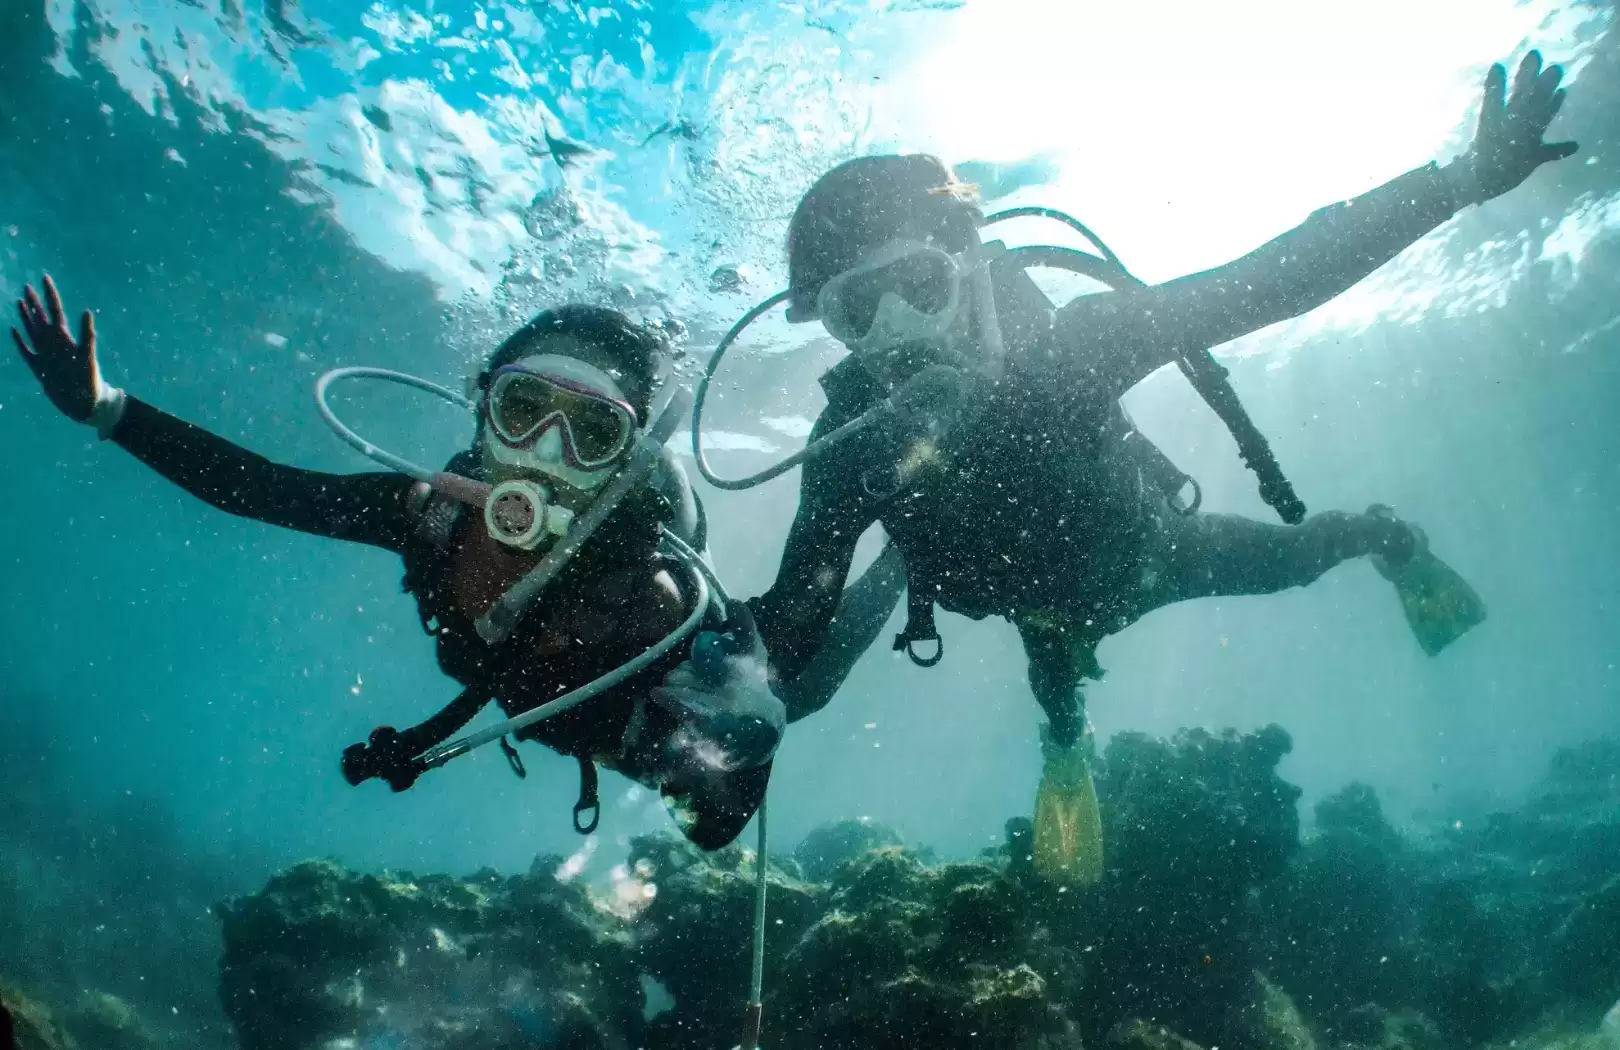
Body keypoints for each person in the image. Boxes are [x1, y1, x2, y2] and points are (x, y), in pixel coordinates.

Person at [742, 51, 1566, 882]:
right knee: (1056, 698)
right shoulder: (851, 444)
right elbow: (793, 626)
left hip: (1156, 555)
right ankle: (1066, 746)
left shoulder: (1076, 349)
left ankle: (1385, 537)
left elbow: (1268, 282)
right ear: (832, 327)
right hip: (1037, 613)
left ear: (967, 266)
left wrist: (1462, 180)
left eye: (919, 287)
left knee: (1300, 559)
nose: (897, 334)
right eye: (857, 309)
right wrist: (720, 681)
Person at [10, 275, 903, 849]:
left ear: (623, 462)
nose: (545, 454)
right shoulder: (428, 516)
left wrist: (725, 730)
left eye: (590, 433)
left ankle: (901, 566)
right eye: (523, 412)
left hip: (636, 712)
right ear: (483, 416)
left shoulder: (647, 584)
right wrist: (104, 407)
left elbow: (720, 818)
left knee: (803, 687)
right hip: (541, 710)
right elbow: (263, 490)